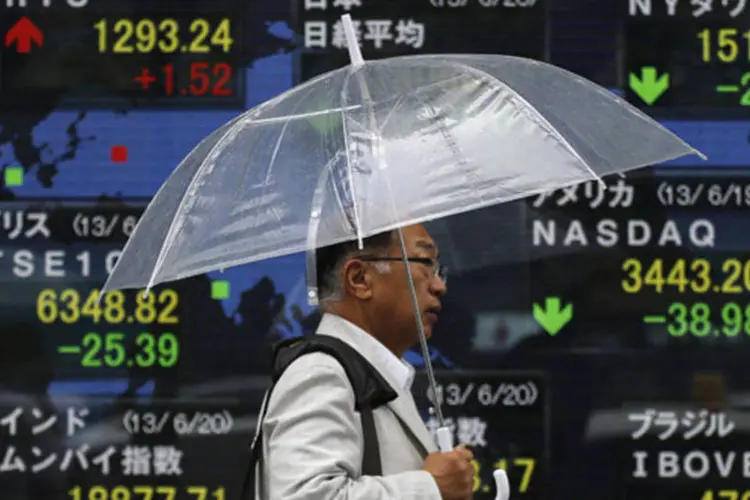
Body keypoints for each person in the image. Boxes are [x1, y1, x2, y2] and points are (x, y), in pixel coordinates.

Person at [256, 224, 475, 499]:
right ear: (360, 279)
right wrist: (430, 487)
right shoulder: (321, 372)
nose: (439, 285)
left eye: (438, 269)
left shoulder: (368, 373)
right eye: (424, 263)